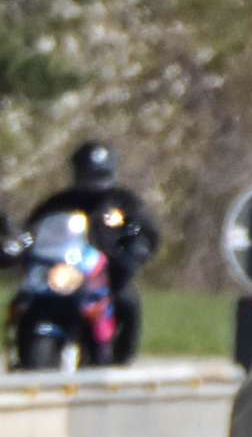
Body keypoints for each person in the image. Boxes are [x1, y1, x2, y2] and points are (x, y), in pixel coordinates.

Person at [24, 140, 161, 363]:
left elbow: (147, 232)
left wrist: (135, 252)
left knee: (126, 300)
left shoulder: (123, 202)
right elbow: (32, 230)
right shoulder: (59, 203)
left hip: (106, 275)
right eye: (88, 175)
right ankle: (22, 346)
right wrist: (17, 245)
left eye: (100, 175)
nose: (94, 181)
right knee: (27, 299)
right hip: (63, 273)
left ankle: (121, 356)